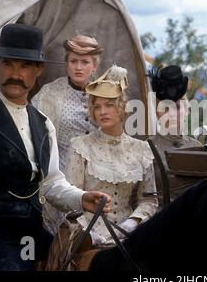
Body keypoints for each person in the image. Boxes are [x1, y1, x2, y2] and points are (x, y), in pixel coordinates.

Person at [0, 23, 112, 271]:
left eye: (24, 65)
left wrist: (82, 199)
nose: (14, 73)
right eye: (8, 63)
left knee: (88, 261)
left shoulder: (43, 123)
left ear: (39, 69)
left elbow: (50, 183)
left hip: (31, 235)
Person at [65, 65, 158, 246]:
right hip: (88, 236)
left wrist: (132, 223)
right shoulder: (80, 146)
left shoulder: (141, 149)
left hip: (129, 237)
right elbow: (71, 199)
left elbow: (149, 200)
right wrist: (88, 234)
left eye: (109, 105)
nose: (102, 112)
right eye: (97, 106)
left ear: (121, 106)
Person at [31, 35, 102, 234]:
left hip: (97, 176)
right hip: (59, 175)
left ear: (94, 66)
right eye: (73, 61)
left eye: (85, 62)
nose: (78, 67)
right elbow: (35, 136)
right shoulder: (50, 94)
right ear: (66, 63)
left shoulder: (105, 94)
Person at [147, 65, 203, 205]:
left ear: (187, 109)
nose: (171, 114)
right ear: (157, 113)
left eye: (177, 107)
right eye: (165, 108)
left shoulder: (198, 147)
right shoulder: (145, 149)